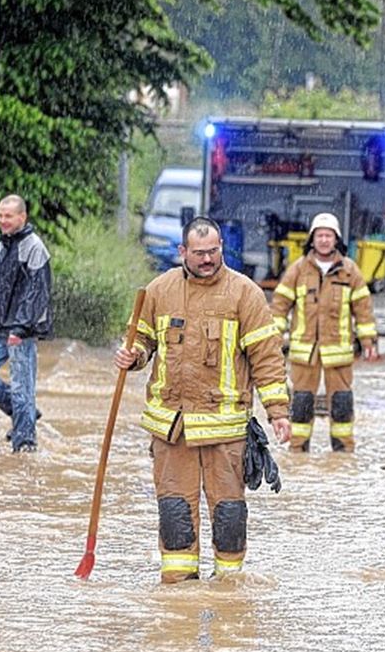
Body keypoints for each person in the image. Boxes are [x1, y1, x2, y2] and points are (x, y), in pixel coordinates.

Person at [113, 216, 291, 583]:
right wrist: (133, 358)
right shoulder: (158, 291)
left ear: (222, 247)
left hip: (225, 431)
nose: (208, 260)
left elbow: (267, 357)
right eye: (199, 253)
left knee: (228, 515)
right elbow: (142, 343)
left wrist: (278, 412)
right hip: (172, 429)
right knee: (174, 513)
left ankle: (227, 592)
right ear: (182, 252)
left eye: (213, 251)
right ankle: (179, 599)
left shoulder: (245, 294)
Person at [270, 213, 379, 453]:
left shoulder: (350, 271)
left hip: (338, 351)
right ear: (312, 239)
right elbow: (279, 304)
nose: (324, 240)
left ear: (336, 239)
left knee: (341, 403)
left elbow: (363, 308)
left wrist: (368, 340)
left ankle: (343, 453)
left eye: (328, 235)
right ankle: (297, 452)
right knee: (301, 402)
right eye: (319, 235)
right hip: (304, 351)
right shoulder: (298, 270)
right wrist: (273, 339)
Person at [0, 194, 52, 453]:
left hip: (20, 330)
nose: (3, 221)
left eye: (8, 216)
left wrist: (20, 328)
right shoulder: (2, 244)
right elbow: (0, 289)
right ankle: (24, 414)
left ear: (22, 217)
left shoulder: (34, 246)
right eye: (0, 216)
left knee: (22, 386)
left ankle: (24, 444)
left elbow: (37, 292)